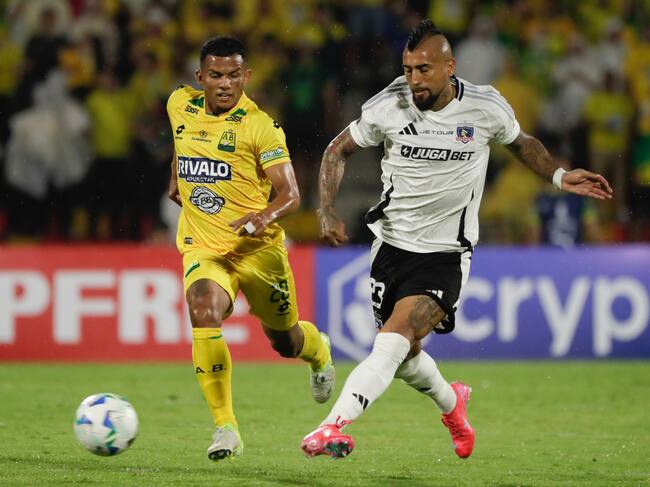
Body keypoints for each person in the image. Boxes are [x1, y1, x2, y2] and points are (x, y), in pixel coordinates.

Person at [301, 20, 612, 460]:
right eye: (408, 69)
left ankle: (330, 426)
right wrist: (326, 209)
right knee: (405, 357)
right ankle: (453, 405)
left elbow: (520, 143)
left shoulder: (484, 106)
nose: (414, 80)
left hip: (445, 254)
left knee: (392, 340)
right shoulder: (389, 104)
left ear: (450, 67)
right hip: (390, 247)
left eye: (423, 70)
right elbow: (337, 150)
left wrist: (560, 176)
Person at [166, 36, 335, 461]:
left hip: (258, 252)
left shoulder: (260, 126)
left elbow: (291, 195)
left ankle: (319, 352)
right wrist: (175, 175)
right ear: (200, 77)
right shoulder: (179, 104)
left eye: (234, 75)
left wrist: (262, 217)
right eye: (216, 75)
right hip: (205, 247)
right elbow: (182, 142)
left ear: (247, 77)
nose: (225, 83)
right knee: (202, 307)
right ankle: (226, 427)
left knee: (285, 342)